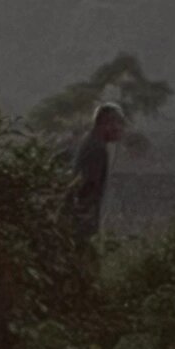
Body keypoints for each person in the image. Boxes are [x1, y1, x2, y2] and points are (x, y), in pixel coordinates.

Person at [67, 100, 126, 243]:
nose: (120, 130)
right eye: (118, 124)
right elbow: (87, 188)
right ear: (107, 123)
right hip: (82, 223)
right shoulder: (97, 149)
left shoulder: (91, 142)